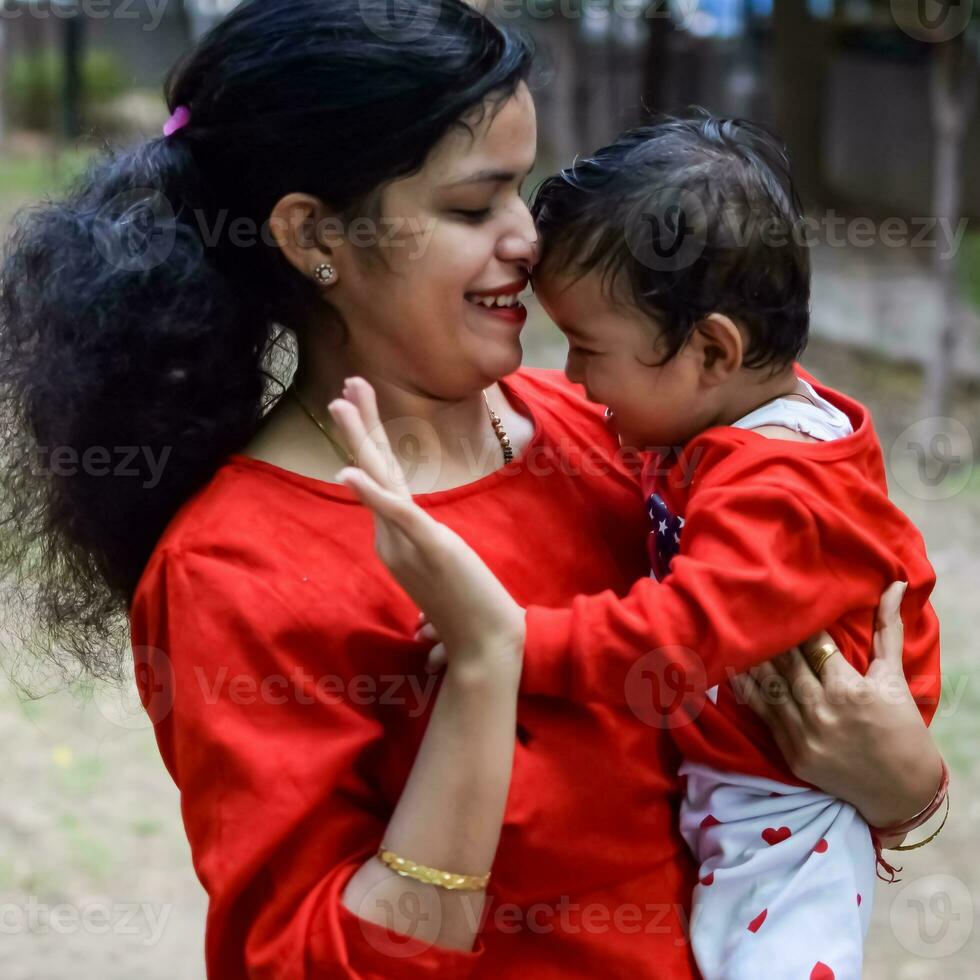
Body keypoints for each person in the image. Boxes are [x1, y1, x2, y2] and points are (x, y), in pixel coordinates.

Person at [0, 1, 944, 976]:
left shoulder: (619, 435)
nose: (527, 240)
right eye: (470, 207)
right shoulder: (237, 568)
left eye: (522, 192)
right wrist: (485, 670)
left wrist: (904, 783)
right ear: (312, 233)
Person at [327, 118, 950, 978]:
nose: (576, 380)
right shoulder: (716, 430)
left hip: (788, 817)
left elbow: (680, 634)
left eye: (589, 349)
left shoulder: (786, 492)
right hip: (745, 792)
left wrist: (514, 641)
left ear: (712, 350)